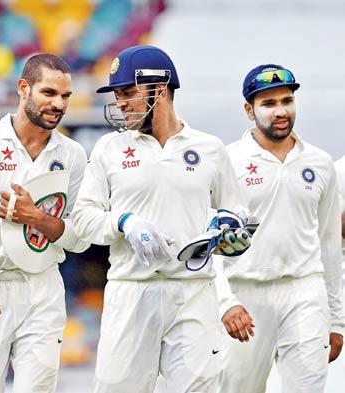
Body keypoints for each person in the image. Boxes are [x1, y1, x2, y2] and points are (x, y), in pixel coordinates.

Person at [71, 45, 247, 392]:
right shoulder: (110, 148)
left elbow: (235, 213)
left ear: (159, 90)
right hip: (131, 290)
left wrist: (234, 231)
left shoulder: (209, 148)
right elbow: (83, 219)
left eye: (128, 93)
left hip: (193, 292)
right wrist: (124, 222)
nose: (120, 103)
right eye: (117, 95)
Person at [0, 53, 89, 392]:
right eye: (49, 93)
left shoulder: (73, 155)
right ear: (23, 88)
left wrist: (35, 217)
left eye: (66, 96)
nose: (59, 104)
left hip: (43, 287)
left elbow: (80, 238)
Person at [218, 64, 344, 392]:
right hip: (246, 291)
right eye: (269, 104)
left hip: (305, 290)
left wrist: (336, 319)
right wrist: (225, 302)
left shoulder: (319, 162)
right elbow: (211, 243)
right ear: (249, 110)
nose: (281, 111)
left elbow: (329, 242)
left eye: (287, 100)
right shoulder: (227, 161)